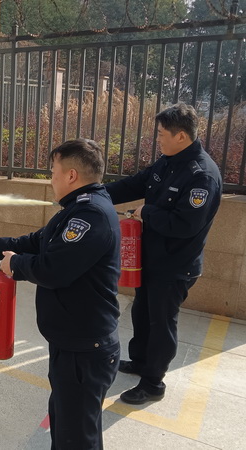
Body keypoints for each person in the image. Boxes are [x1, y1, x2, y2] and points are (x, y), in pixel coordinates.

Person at [0, 139, 121, 450]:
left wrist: (15, 265)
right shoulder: (78, 208)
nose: (51, 179)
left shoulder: (90, 215)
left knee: (77, 439)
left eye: (53, 172)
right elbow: (36, 242)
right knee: (66, 426)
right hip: (72, 344)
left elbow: (54, 269)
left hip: (84, 350)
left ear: (71, 175)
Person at [105, 102, 222, 405]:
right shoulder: (168, 162)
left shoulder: (202, 176)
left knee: (161, 322)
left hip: (175, 266)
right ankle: (141, 361)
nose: (157, 139)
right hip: (153, 259)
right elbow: (136, 184)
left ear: (181, 136)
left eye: (161, 134)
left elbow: (184, 225)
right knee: (142, 312)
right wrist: (94, 193)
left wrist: (147, 212)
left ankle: (153, 383)